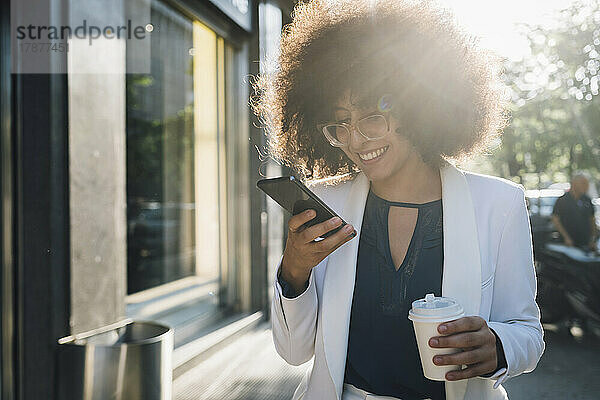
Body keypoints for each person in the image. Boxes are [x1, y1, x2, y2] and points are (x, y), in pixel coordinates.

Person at [252, 1, 544, 399]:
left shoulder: (498, 204)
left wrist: (498, 346)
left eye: (373, 118)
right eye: (341, 124)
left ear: (421, 107)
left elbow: (527, 333)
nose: (355, 141)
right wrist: (293, 274)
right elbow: (293, 352)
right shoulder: (326, 205)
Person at [551, 173, 598, 251]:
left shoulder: (587, 200)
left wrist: (593, 239)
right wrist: (566, 238)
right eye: (583, 184)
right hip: (569, 244)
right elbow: (555, 220)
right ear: (574, 184)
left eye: (587, 184)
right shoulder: (562, 200)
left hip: (585, 243)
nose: (587, 187)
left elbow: (592, 220)